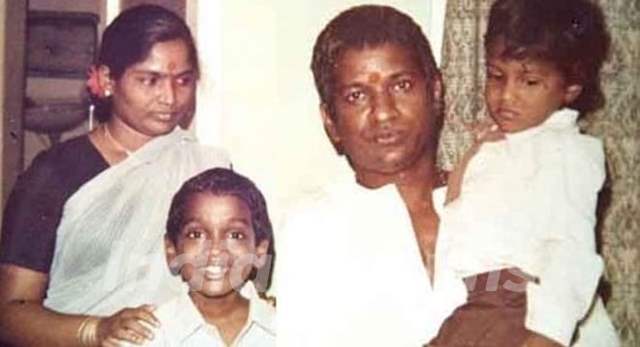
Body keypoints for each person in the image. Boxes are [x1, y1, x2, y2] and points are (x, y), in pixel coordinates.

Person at [0, 5, 229, 346]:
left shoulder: (208, 171)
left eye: (183, 80)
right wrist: (96, 330)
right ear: (108, 80)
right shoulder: (55, 173)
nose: (170, 98)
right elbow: (10, 315)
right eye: (149, 80)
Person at [428, 0, 619, 346]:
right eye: (496, 76)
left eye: (529, 81)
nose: (506, 95)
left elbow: (570, 249)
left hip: (524, 311)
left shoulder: (568, 152)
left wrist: (548, 335)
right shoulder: (499, 147)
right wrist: (476, 152)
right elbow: (455, 216)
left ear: (570, 88)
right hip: (475, 309)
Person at [276, 5, 466, 346]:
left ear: (435, 92)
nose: (383, 112)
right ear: (331, 121)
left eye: (402, 85)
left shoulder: (497, 198)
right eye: (357, 95)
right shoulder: (312, 226)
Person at [144, 167, 275, 346]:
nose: (215, 250)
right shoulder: (147, 337)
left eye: (235, 235)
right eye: (196, 234)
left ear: (259, 251)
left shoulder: (291, 330)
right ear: (172, 250)